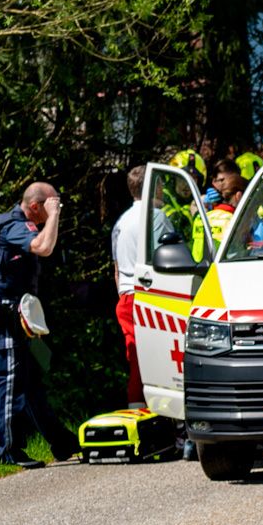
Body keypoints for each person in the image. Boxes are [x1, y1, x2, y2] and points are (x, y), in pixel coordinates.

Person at [0, 181, 76, 467]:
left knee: (29, 380)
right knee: (9, 379)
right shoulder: (11, 225)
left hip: (18, 311)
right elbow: (43, 247)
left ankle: (61, 443)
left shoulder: (24, 224)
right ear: (35, 206)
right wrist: (53, 215)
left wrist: (52, 214)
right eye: (52, 204)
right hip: (3, 312)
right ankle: (8, 450)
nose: (56, 209)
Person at [111, 165, 148, 409]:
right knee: (156, 359)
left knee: (135, 359)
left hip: (125, 296)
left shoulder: (121, 223)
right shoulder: (155, 217)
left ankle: (136, 413)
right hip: (147, 296)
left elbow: (116, 269)